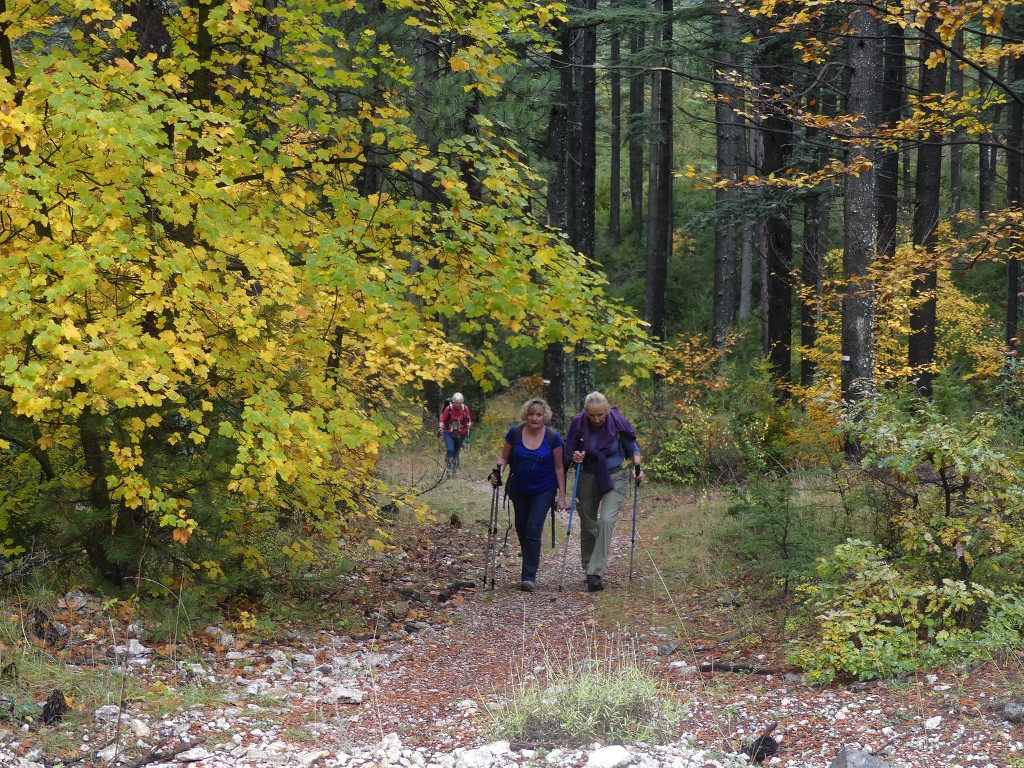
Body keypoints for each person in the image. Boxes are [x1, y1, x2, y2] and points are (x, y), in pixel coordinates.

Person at [563, 391, 645, 592]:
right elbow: (569, 450)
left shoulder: (617, 424)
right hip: (588, 475)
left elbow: (633, 448)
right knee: (588, 523)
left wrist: (638, 468)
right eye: (592, 415)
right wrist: (575, 457)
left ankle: (595, 573)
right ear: (586, 413)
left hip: (615, 476)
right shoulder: (578, 424)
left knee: (606, 520)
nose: (597, 419)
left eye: (600, 415)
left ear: (607, 411)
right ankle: (588, 565)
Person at [490, 398, 568, 592]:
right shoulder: (515, 433)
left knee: (534, 528)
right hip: (519, 488)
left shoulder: (553, 437)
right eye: (531, 414)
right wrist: (498, 472)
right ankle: (529, 565)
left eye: (539, 414)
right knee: (522, 528)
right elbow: (504, 457)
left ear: (545, 416)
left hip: (544, 489)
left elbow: (559, 467)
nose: (535, 418)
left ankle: (528, 576)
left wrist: (562, 496)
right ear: (526, 415)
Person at [439, 392, 472, 476]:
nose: (457, 405)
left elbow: (468, 419)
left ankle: (454, 469)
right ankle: (449, 468)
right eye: (456, 403)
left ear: (462, 402)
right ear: (453, 402)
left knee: (456, 451)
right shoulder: (448, 408)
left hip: (461, 432)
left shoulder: (465, 408)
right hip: (449, 431)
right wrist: (441, 428)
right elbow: (442, 420)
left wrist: (468, 425)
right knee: (450, 449)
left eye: (459, 403)